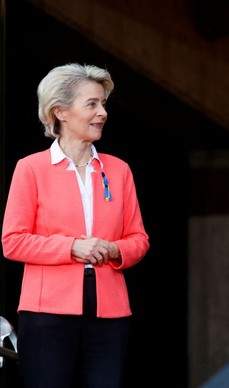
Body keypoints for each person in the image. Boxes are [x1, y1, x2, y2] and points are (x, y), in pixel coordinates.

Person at [1, 63, 150, 387]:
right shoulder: (31, 168)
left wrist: (113, 249)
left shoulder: (120, 170)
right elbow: (12, 241)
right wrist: (72, 247)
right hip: (45, 315)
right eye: (92, 104)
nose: (102, 113)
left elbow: (138, 239)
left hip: (110, 316)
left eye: (103, 104)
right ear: (61, 112)